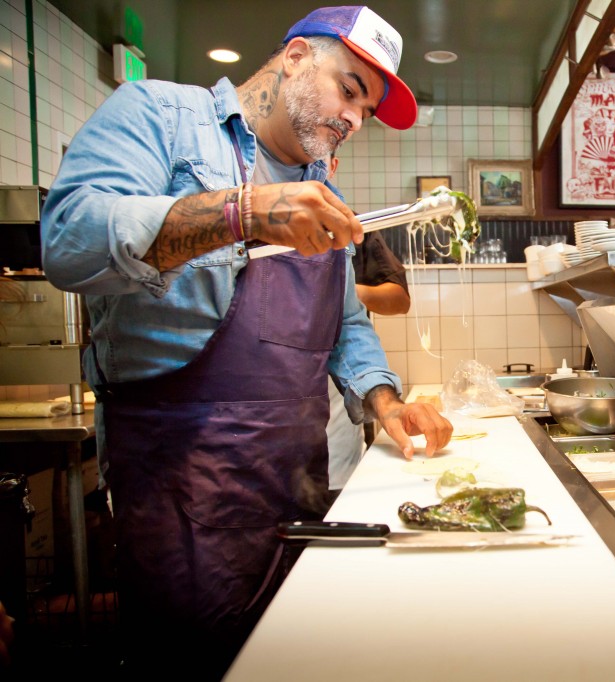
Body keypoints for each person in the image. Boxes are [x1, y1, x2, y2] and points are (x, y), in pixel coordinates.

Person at [40, 6, 452, 679]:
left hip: (297, 487)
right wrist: (241, 211)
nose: (353, 118)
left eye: (367, 111)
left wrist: (384, 403)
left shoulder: (322, 192)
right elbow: (68, 241)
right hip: (182, 491)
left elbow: (346, 320)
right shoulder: (159, 115)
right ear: (293, 58)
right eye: (349, 89)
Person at [324, 156, 410, 492]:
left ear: (333, 165)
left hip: (341, 389)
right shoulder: (251, 219)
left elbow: (397, 300)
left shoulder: (354, 226)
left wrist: (344, 292)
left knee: (334, 491)